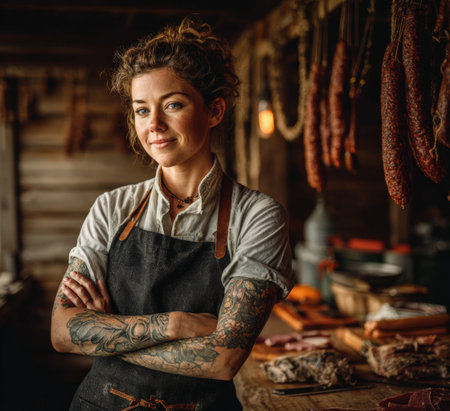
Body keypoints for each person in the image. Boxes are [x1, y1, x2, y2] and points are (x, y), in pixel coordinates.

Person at [51, 16, 293, 411]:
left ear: (214, 110)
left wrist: (108, 337)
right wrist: (176, 324)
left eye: (173, 105)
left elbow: (222, 359)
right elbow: (62, 332)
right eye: (142, 110)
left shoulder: (258, 216)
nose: (155, 125)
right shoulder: (112, 208)